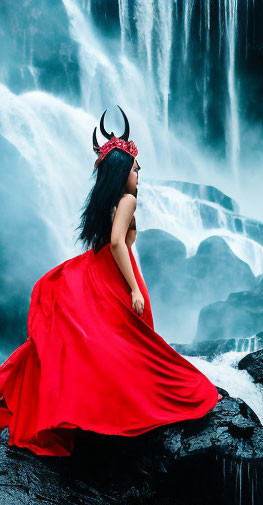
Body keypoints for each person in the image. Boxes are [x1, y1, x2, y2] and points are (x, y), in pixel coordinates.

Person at [0, 106, 221, 456]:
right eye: (136, 168)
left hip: (95, 271)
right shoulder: (128, 200)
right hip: (115, 276)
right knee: (133, 348)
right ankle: (137, 408)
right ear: (122, 172)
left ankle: (37, 394)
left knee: (95, 345)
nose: (139, 174)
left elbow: (111, 242)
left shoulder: (105, 204)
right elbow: (120, 243)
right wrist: (134, 288)